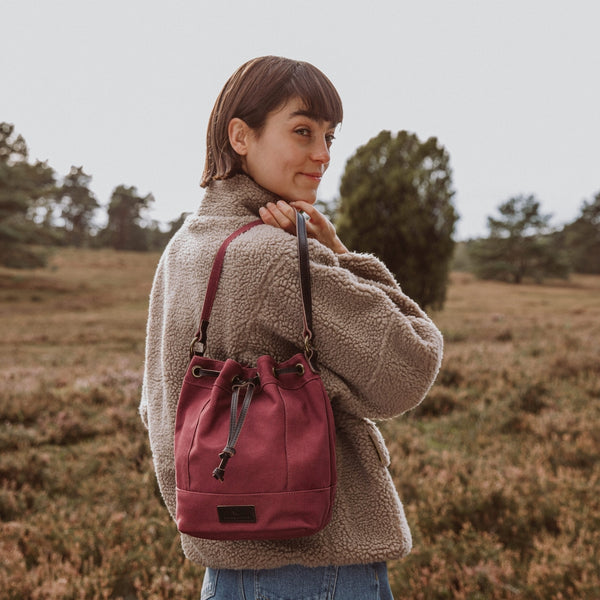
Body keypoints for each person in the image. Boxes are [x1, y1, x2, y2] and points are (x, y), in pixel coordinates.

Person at [140, 56, 443, 600]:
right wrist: (341, 255)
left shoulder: (185, 247)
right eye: (302, 131)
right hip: (317, 566)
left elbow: (157, 404)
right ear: (240, 136)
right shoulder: (275, 258)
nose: (322, 153)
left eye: (329, 135)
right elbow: (410, 366)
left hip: (226, 568)